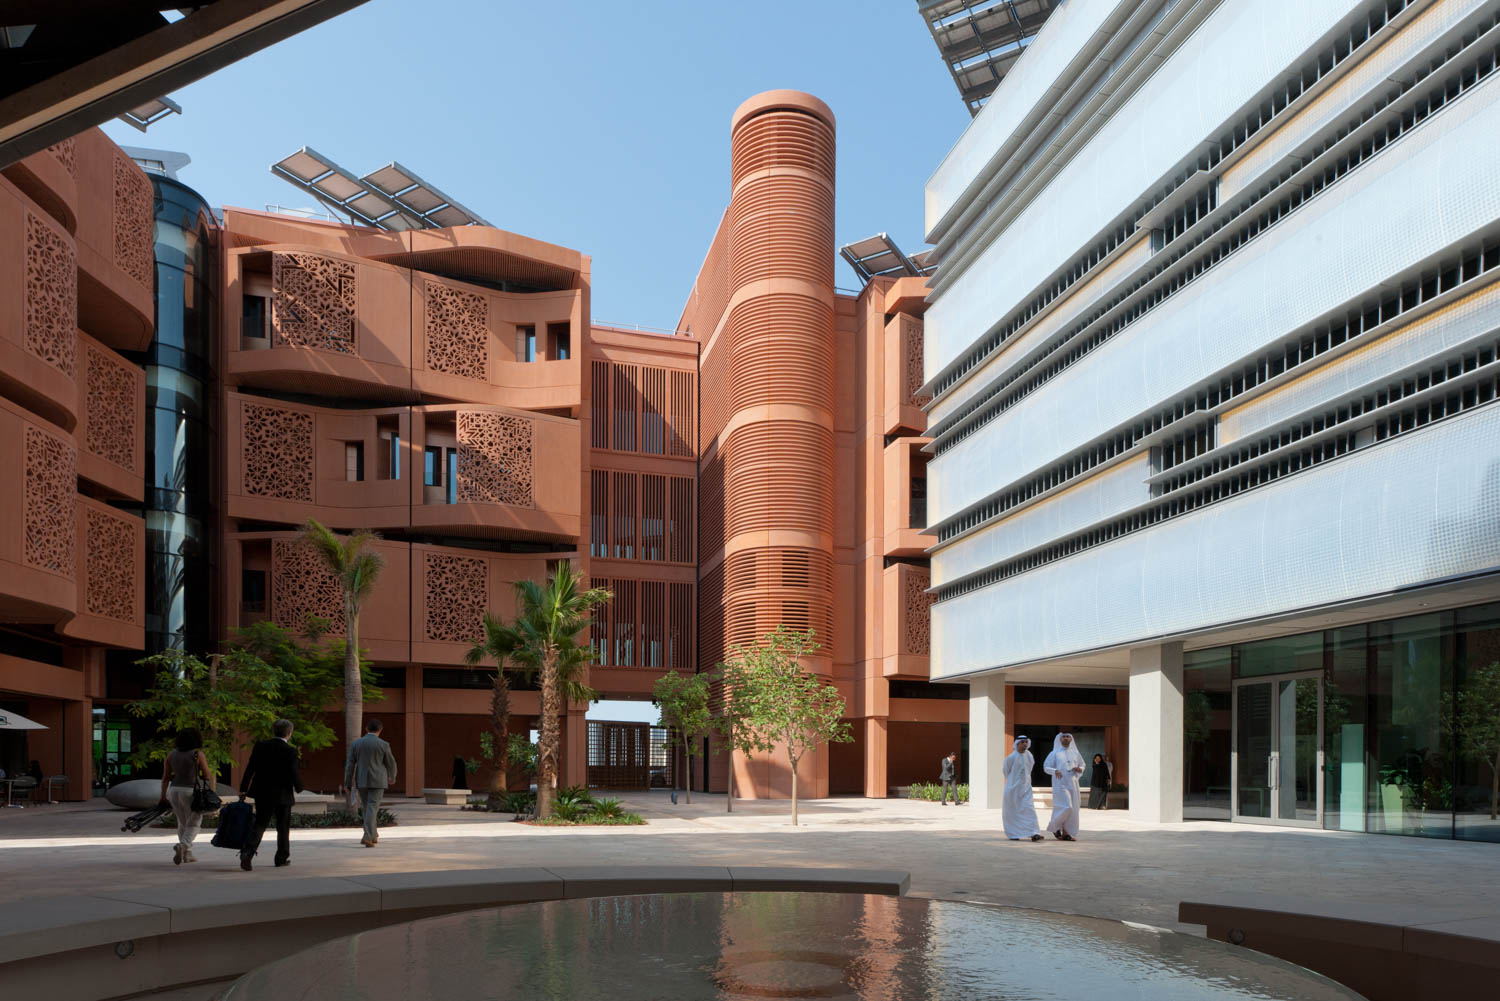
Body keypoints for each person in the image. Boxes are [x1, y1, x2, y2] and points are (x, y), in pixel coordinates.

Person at [238, 719, 302, 871]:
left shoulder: (260, 746)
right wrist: (299, 787)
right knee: (283, 827)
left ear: (274, 731)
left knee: (259, 824)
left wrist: (243, 788)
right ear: (289, 733)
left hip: (263, 792)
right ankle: (281, 858)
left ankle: (248, 852)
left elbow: (250, 768)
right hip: (283, 794)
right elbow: (294, 772)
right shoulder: (291, 751)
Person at [159, 728, 214, 865]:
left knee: (182, 822)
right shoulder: (197, 754)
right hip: (190, 791)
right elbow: (207, 775)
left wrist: (162, 797)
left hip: (173, 791)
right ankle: (182, 845)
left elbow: (165, 778)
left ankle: (187, 854)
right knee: (194, 822)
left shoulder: (171, 755)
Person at [345, 718, 398, 848]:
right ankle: (368, 836)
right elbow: (391, 763)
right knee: (372, 807)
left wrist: (347, 782)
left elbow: (350, 765)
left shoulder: (356, 744)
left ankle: (373, 834)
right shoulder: (384, 744)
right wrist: (392, 776)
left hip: (362, 780)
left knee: (367, 807)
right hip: (378, 780)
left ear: (366, 729)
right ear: (380, 730)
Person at [1044, 732, 1085, 842]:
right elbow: (1046, 767)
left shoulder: (1075, 753)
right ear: (1059, 739)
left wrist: (1079, 769)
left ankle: (1066, 833)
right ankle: (1055, 826)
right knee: (1067, 806)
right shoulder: (1054, 753)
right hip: (1060, 784)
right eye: (1063, 737)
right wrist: (1055, 770)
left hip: (1073, 783)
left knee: (1073, 809)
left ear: (1071, 739)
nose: (1065, 738)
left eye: (1068, 736)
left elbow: (1082, 764)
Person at [1002, 736, 1045, 841]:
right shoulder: (1011, 757)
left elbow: (1029, 769)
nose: (1025, 744)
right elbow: (1006, 771)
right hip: (1013, 790)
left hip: (1026, 788)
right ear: (1017, 744)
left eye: (1026, 742)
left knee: (1029, 810)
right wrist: (1014, 782)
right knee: (1013, 812)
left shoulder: (1029, 755)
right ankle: (1013, 834)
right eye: (1022, 742)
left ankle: (1034, 833)